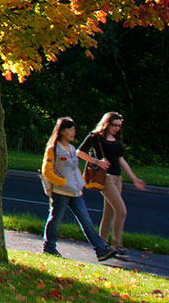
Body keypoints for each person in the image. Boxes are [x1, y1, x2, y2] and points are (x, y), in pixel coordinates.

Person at [40, 117, 119, 261]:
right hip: (61, 192)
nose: (73, 133)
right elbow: (47, 171)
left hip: (76, 193)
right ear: (62, 131)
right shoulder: (53, 149)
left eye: (74, 130)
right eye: (70, 130)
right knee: (55, 220)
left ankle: (100, 250)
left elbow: (75, 169)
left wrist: (81, 182)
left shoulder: (71, 149)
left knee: (86, 221)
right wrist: (61, 182)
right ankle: (49, 246)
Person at [80, 112, 146, 256]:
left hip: (117, 178)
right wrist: (97, 162)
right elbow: (79, 152)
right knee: (121, 211)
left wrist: (134, 178)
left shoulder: (116, 138)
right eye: (114, 125)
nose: (117, 128)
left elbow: (121, 160)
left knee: (109, 212)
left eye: (119, 126)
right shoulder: (95, 137)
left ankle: (102, 244)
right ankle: (117, 245)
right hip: (106, 178)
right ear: (107, 123)